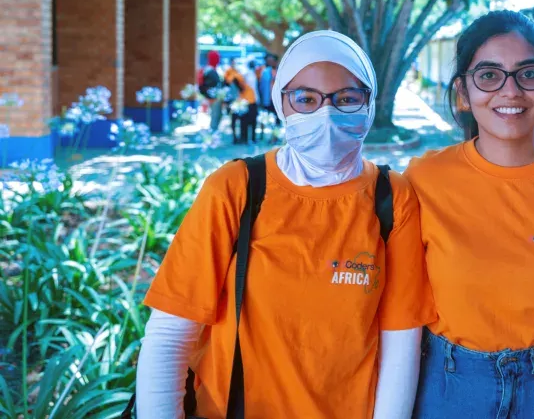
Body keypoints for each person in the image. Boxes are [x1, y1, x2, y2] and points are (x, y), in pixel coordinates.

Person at [135, 30, 433, 418]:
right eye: (306, 99)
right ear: (280, 102)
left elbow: (400, 340)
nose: (325, 114)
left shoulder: (391, 198)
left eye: (347, 99)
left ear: (369, 103)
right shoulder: (237, 188)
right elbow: (171, 335)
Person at [405, 10, 534, 419]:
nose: (510, 90)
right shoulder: (423, 179)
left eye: (528, 73)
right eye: (489, 75)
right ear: (463, 90)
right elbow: (400, 311)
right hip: (450, 384)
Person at [225, 58, 256, 144]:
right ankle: (235, 138)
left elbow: (250, 100)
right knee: (234, 120)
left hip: (247, 105)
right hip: (236, 104)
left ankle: (244, 138)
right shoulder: (231, 75)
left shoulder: (248, 89)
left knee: (244, 121)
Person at [199, 50, 224, 132]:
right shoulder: (210, 71)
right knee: (215, 116)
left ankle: (213, 132)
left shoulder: (210, 69)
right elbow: (210, 85)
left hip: (214, 98)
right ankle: (213, 133)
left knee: (216, 115)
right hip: (214, 98)